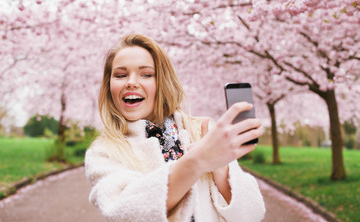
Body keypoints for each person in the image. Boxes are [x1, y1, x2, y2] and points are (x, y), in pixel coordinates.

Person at [85, 34, 266, 222]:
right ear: (109, 86)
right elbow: (127, 212)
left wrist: (221, 170)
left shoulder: (202, 131)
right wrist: (197, 161)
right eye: (120, 75)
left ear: (162, 81)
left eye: (146, 74)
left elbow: (252, 214)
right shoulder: (103, 152)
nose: (130, 82)